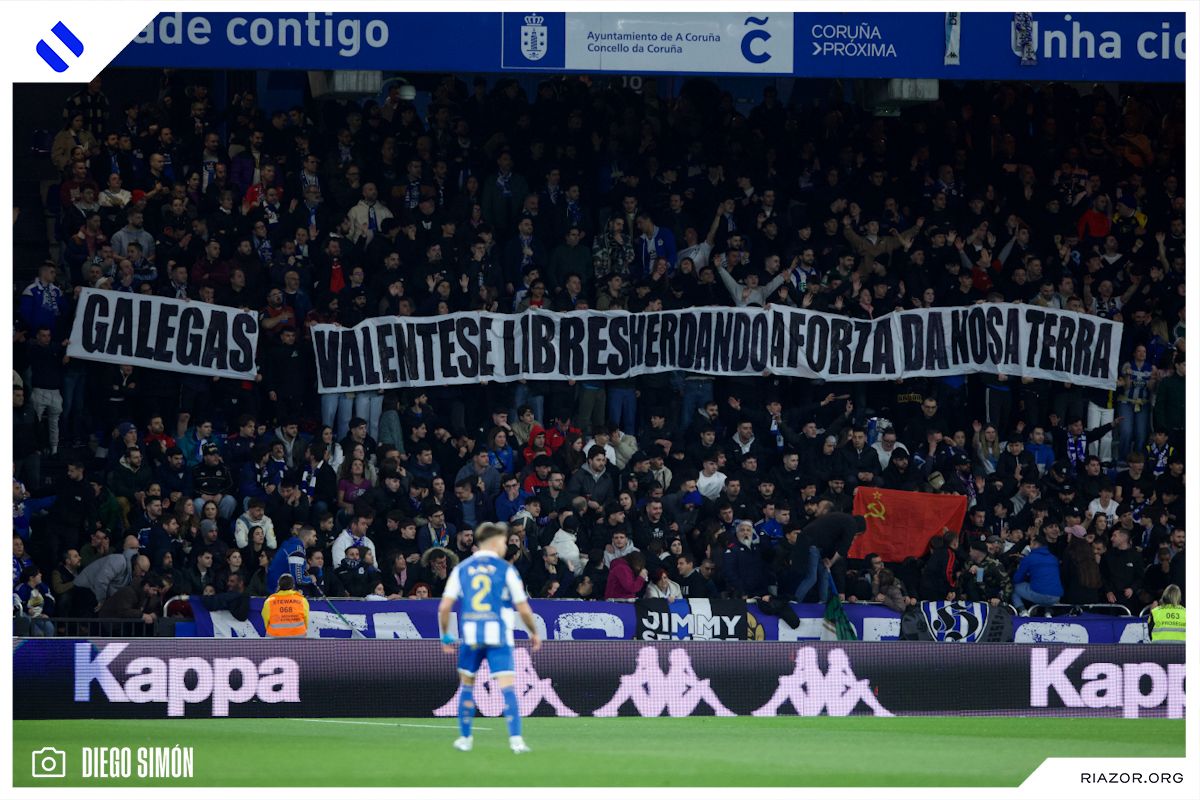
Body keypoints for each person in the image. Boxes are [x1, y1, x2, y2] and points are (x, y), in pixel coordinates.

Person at [438, 522, 542, 754]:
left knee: (466, 687)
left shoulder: (462, 568)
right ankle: (516, 741)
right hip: (499, 638)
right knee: (507, 688)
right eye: (504, 542)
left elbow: (444, 608)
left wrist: (446, 635)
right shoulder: (506, 570)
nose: (505, 547)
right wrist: (533, 632)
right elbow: (523, 608)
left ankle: (465, 739)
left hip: (471, 637)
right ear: (494, 543)